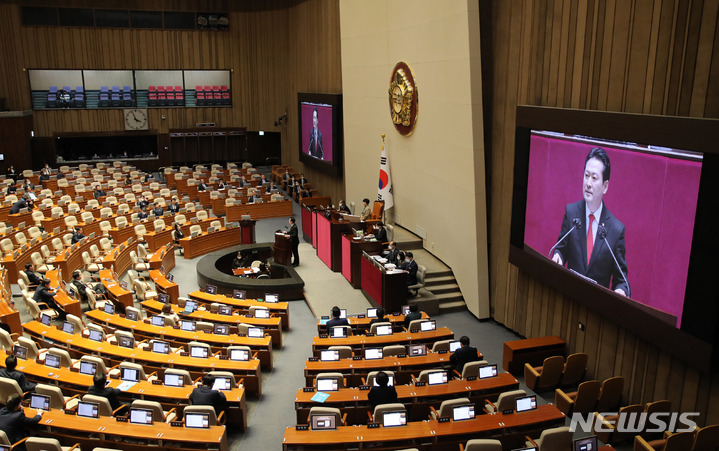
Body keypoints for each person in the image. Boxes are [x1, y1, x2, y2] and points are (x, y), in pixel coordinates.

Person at [551, 147, 629, 296]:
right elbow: (560, 249)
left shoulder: (616, 230)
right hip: (568, 297)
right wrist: (558, 256)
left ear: (605, 186)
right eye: (586, 176)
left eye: (594, 178)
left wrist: (620, 291)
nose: (588, 183)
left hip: (596, 307)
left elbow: (622, 281)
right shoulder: (571, 212)